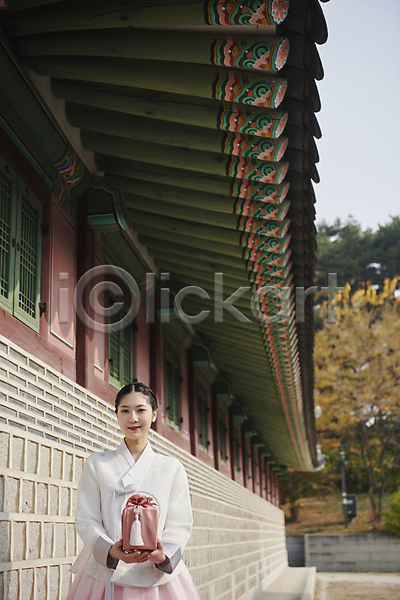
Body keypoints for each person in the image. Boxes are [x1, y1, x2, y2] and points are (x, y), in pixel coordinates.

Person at [66, 381, 201, 600]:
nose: (133, 418)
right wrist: (111, 550)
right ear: (117, 415)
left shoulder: (171, 468)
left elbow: (180, 523)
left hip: (156, 577)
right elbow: (86, 519)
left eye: (141, 410)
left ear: (154, 415)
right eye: (125, 411)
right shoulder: (97, 464)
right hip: (106, 573)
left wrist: (162, 553)